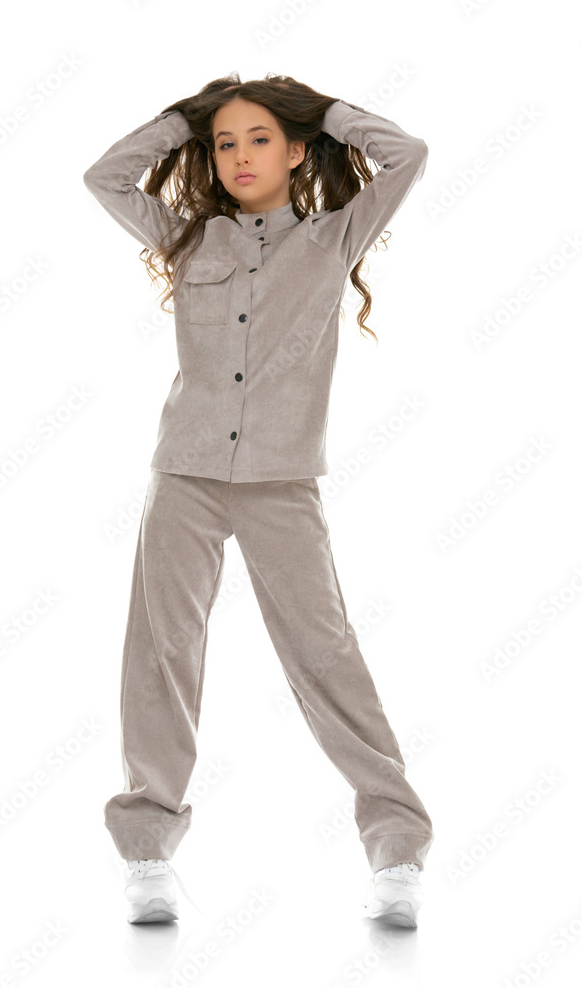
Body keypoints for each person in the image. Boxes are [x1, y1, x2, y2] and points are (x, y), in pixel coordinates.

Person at [82, 72, 434, 929]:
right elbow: (104, 177)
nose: (239, 155)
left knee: (325, 656)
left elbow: (407, 154)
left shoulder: (331, 237)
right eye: (225, 143)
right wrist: (183, 120)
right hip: (185, 477)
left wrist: (325, 110)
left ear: (297, 150)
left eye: (260, 138)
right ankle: (146, 852)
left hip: (282, 484)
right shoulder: (189, 239)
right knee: (161, 653)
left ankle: (396, 850)